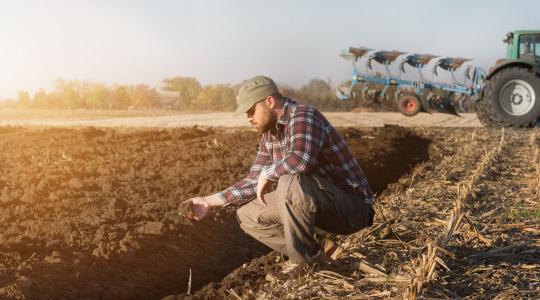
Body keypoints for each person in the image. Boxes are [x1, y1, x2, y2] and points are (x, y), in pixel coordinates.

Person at [183, 75, 374, 266]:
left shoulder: (303, 115)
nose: (248, 118)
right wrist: (207, 201)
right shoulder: (270, 134)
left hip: (352, 210)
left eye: (251, 111)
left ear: (270, 101)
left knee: (288, 182)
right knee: (247, 215)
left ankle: (307, 264)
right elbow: (254, 181)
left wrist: (268, 173)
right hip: (319, 205)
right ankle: (321, 249)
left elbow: (299, 160)